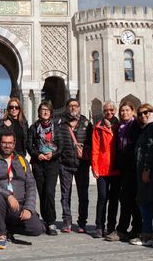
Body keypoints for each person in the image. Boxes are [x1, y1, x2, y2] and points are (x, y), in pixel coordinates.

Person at [0, 129, 42, 249]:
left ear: (14, 144)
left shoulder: (22, 161)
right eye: (4, 142)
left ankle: (8, 229)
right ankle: (0, 234)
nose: (7, 146)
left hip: (18, 205)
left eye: (10, 143)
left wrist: (29, 208)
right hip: (0, 203)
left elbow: (31, 185)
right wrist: (8, 195)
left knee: (36, 228)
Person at [130, 103, 153, 247]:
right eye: (140, 114)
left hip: (147, 171)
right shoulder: (150, 127)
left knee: (144, 200)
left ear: (152, 112)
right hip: (148, 170)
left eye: (146, 112)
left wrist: (147, 168)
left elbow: (151, 149)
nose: (143, 116)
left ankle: (147, 235)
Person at [55, 98, 92, 233]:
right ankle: (67, 220)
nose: (73, 108)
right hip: (65, 163)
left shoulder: (86, 123)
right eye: (70, 106)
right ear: (66, 108)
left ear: (79, 107)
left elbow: (92, 142)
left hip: (81, 164)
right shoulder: (60, 123)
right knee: (65, 194)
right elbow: (57, 142)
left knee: (83, 195)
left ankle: (82, 222)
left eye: (75, 106)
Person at [107, 100, 142, 241]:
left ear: (133, 112)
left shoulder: (136, 126)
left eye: (127, 110)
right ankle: (136, 228)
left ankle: (122, 229)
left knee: (127, 198)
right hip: (123, 168)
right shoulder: (120, 127)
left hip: (133, 168)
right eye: (122, 110)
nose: (124, 113)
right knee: (130, 199)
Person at [26, 101, 62, 236]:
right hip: (39, 163)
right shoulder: (34, 127)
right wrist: (38, 155)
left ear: (51, 112)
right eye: (42, 109)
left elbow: (61, 145)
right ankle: (46, 220)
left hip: (52, 164)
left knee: (49, 192)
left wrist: (53, 154)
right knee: (42, 192)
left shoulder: (56, 128)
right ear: (39, 111)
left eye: (47, 110)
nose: (45, 112)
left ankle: (51, 221)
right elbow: (29, 145)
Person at [91, 101, 120, 239]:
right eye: (106, 110)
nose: (109, 112)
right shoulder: (99, 128)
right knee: (102, 197)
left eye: (111, 109)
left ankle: (111, 226)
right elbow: (95, 149)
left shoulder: (120, 127)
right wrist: (94, 167)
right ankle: (99, 226)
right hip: (102, 168)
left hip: (116, 168)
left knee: (114, 199)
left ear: (115, 110)